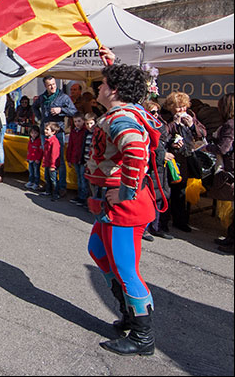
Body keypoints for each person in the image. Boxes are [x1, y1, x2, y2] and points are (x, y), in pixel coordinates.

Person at [86, 46, 159, 356]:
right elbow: (126, 89)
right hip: (114, 205)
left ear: (113, 91)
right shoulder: (127, 108)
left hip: (125, 207)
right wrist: (112, 64)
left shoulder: (120, 119)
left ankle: (143, 336)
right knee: (98, 250)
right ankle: (129, 314)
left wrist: (127, 191)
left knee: (127, 271)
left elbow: (136, 151)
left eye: (103, 83)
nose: (98, 87)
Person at [163, 91, 207, 233]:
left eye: (183, 106)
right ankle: (164, 220)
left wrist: (192, 126)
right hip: (172, 159)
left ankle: (180, 221)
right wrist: (174, 124)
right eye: (178, 107)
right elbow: (163, 135)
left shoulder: (191, 116)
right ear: (171, 107)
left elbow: (203, 133)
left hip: (187, 158)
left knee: (181, 190)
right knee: (170, 189)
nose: (182, 110)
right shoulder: (166, 119)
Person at [33, 76, 78, 194]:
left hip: (58, 131)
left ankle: (61, 186)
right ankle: (49, 184)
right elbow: (34, 106)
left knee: (59, 159)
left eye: (53, 84)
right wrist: (39, 118)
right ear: (45, 86)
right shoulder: (42, 97)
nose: (52, 87)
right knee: (47, 158)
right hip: (45, 131)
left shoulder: (63, 97)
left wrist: (61, 110)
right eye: (49, 85)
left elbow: (74, 111)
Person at [205, 93, 234, 254]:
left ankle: (231, 242)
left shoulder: (230, 124)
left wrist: (207, 147)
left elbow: (224, 148)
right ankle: (230, 238)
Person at [142, 100, 174, 240]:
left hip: (161, 168)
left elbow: (164, 143)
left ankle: (156, 226)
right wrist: (162, 154)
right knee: (149, 198)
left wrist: (174, 144)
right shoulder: (143, 127)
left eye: (157, 112)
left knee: (161, 196)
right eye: (152, 112)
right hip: (150, 168)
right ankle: (144, 228)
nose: (155, 114)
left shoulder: (160, 126)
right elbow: (147, 148)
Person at [67, 112, 89, 206]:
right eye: (75, 121)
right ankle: (80, 195)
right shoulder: (73, 131)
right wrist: (69, 159)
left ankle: (84, 197)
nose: (77, 123)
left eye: (79, 121)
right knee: (79, 178)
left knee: (83, 178)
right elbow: (70, 145)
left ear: (83, 121)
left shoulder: (85, 132)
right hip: (75, 158)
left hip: (83, 158)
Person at [41, 122, 61, 200]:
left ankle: (56, 194)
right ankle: (48, 191)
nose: (45, 131)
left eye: (47, 129)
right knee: (47, 177)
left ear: (53, 131)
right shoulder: (48, 140)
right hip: (47, 163)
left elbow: (54, 154)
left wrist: (53, 165)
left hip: (52, 164)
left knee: (54, 179)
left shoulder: (54, 141)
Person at [25, 125, 43, 190]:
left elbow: (40, 151)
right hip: (30, 159)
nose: (33, 134)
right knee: (31, 171)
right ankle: (31, 181)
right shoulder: (30, 140)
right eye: (32, 133)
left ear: (38, 133)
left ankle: (36, 183)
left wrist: (38, 159)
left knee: (36, 172)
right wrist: (28, 157)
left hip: (36, 159)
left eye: (35, 133)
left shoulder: (39, 141)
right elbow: (29, 149)